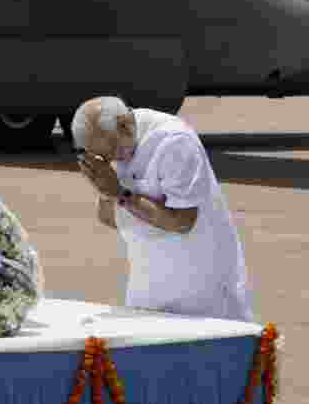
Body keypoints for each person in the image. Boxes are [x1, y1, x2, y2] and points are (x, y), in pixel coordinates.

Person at [70, 96, 253, 321]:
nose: (113, 161)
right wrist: (104, 189)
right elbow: (108, 218)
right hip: (148, 289)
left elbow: (182, 221)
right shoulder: (118, 143)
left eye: (114, 153)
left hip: (200, 289)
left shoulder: (174, 142)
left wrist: (120, 193)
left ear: (125, 126)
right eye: (105, 158)